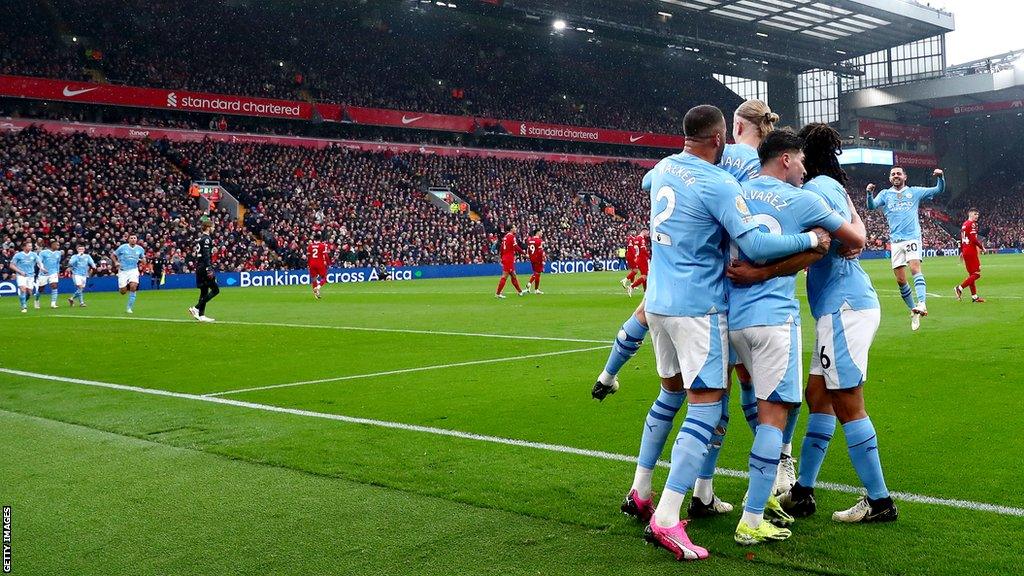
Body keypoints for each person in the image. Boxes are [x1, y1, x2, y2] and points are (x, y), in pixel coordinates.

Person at [632, 105, 829, 561]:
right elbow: (757, 245)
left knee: (670, 398)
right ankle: (666, 517)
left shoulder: (662, 168)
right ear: (721, 139)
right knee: (705, 410)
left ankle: (647, 491)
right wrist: (810, 241)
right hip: (697, 308)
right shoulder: (719, 183)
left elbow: (650, 185)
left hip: (657, 304)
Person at [727, 128, 863, 545]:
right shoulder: (802, 199)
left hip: (731, 318)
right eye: (800, 160)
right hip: (774, 320)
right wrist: (817, 243)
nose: (805, 167)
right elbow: (855, 239)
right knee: (775, 417)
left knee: (737, 404)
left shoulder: (732, 193)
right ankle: (753, 516)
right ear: (785, 158)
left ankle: (739, 496)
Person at [775, 122, 898, 524]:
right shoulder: (831, 186)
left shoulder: (817, 189)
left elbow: (839, 242)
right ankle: (804, 491)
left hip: (844, 308)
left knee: (846, 400)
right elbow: (851, 235)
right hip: (841, 307)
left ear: (805, 156)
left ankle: (879, 502)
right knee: (818, 395)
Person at [866, 166, 945, 331]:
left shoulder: (914, 192)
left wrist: (941, 177)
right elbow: (872, 206)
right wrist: (868, 193)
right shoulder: (885, 194)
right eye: (893, 174)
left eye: (898, 173)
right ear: (890, 178)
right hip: (896, 241)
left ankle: (922, 303)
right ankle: (914, 310)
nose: (896, 176)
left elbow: (939, 190)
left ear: (905, 177)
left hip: (912, 238)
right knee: (901, 280)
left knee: (915, 268)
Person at [188, 219, 220, 322]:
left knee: (204, 291)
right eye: (213, 226)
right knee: (215, 290)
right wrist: (209, 268)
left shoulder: (201, 239)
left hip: (199, 267)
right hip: (204, 267)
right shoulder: (207, 239)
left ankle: (201, 315)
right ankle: (196, 308)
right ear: (208, 227)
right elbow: (206, 255)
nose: (214, 228)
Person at [956, 208, 985, 303]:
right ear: (970, 214)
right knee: (977, 274)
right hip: (971, 251)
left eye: (978, 214)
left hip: (966, 251)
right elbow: (973, 239)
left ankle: (974, 297)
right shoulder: (971, 224)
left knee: (971, 275)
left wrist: (962, 251)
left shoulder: (964, 224)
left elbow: (962, 239)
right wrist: (982, 247)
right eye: (975, 214)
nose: (977, 216)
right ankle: (959, 287)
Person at [112, 234, 146, 314]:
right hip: (123, 271)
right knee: (123, 291)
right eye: (131, 238)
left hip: (133, 270)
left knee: (134, 286)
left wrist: (143, 260)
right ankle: (125, 286)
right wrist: (116, 262)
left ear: (136, 239)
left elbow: (143, 257)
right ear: (128, 239)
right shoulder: (123, 247)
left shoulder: (140, 249)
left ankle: (129, 308)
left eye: (134, 238)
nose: (133, 239)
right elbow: (113, 255)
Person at [495, 224, 525, 299]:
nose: (516, 228)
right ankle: (498, 293)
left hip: (506, 257)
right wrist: (524, 254)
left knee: (513, 275)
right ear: (511, 229)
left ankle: (520, 291)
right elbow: (516, 247)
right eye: (514, 227)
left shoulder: (505, 237)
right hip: (508, 258)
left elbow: (502, 248)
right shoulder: (511, 236)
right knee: (505, 276)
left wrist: (501, 257)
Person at [9, 240, 40, 313]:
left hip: (31, 275)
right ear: (24, 247)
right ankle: (24, 306)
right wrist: (20, 272)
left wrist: (42, 267)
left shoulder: (34, 255)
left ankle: (23, 301)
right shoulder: (18, 255)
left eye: (31, 246)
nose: (31, 247)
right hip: (21, 275)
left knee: (29, 293)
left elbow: (39, 262)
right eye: (29, 246)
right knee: (23, 289)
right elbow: (11, 265)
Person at [36, 240, 64, 309]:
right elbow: (39, 262)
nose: (58, 246)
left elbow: (57, 263)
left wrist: (57, 272)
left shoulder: (58, 253)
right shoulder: (43, 252)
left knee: (54, 286)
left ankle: (53, 303)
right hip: (44, 273)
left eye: (58, 245)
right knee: (41, 289)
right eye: (57, 245)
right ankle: (36, 300)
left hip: (53, 272)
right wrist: (42, 268)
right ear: (52, 245)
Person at [307, 233, 333, 299]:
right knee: (324, 278)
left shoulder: (310, 246)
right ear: (320, 238)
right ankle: (318, 288)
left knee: (314, 279)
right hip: (320, 264)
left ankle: (316, 294)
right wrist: (329, 263)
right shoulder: (322, 245)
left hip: (312, 264)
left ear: (314, 238)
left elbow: (309, 257)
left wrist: (309, 265)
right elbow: (326, 256)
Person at [525, 229, 546, 294]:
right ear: (538, 232)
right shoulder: (539, 241)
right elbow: (540, 251)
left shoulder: (530, 240)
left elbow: (528, 249)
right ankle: (536, 290)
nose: (542, 233)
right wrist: (542, 260)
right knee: (538, 274)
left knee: (535, 273)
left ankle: (529, 284)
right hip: (538, 259)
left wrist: (529, 255)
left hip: (532, 259)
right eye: (541, 232)